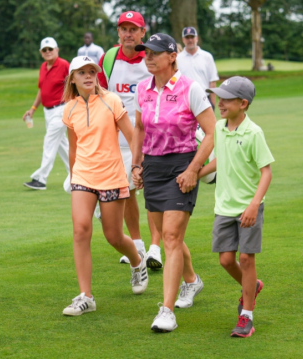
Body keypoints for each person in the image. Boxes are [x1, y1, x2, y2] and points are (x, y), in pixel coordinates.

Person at [131, 33, 216, 332]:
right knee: (171, 236)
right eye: (146, 52)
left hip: (182, 166)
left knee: (169, 236)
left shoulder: (190, 89)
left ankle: (166, 311)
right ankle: (191, 280)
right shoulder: (142, 89)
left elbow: (211, 132)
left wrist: (194, 169)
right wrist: (137, 164)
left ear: (171, 56)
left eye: (155, 52)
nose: (148, 57)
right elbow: (139, 128)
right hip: (153, 167)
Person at [61, 56, 148, 316]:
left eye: (92, 71)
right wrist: (74, 175)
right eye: (82, 72)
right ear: (73, 78)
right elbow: (74, 148)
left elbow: (133, 138)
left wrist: (137, 166)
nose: (88, 76)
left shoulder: (111, 101)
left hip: (112, 175)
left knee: (113, 236)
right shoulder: (69, 108)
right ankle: (86, 296)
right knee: (80, 230)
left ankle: (137, 262)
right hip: (83, 178)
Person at [200, 76, 274, 338]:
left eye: (226, 99)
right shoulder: (220, 128)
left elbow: (266, 172)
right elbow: (220, 159)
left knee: (245, 258)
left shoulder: (254, 132)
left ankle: (247, 317)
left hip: (248, 207)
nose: (219, 103)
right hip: (224, 207)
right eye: (219, 97)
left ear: (243, 104)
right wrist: (194, 174)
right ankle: (251, 286)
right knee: (226, 260)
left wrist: (254, 205)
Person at [98, 11, 162, 269]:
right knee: (127, 192)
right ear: (118, 32)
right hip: (119, 140)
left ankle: (156, 249)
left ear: (142, 32)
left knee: (153, 193)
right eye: (124, 29)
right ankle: (136, 244)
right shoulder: (109, 58)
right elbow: (100, 95)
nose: (128, 34)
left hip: (153, 136)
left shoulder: (152, 56)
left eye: (133, 29)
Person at [22, 37, 70, 190]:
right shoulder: (43, 66)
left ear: (57, 50)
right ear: (41, 53)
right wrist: (33, 108)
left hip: (62, 109)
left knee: (49, 141)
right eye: (45, 50)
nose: (48, 52)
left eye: (50, 49)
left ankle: (40, 179)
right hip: (47, 111)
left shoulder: (64, 65)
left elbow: (73, 85)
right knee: (62, 145)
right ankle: (78, 174)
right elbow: (42, 89)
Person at [176, 27, 220, 108]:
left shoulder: (207, 56)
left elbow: (212, 82)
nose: (190, 40)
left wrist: (213, 104)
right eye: (187, 38)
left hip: (204, 99)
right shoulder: (177, 58)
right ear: (183, 39)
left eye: (192, 37)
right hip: (184, 100)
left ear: (197, 38)